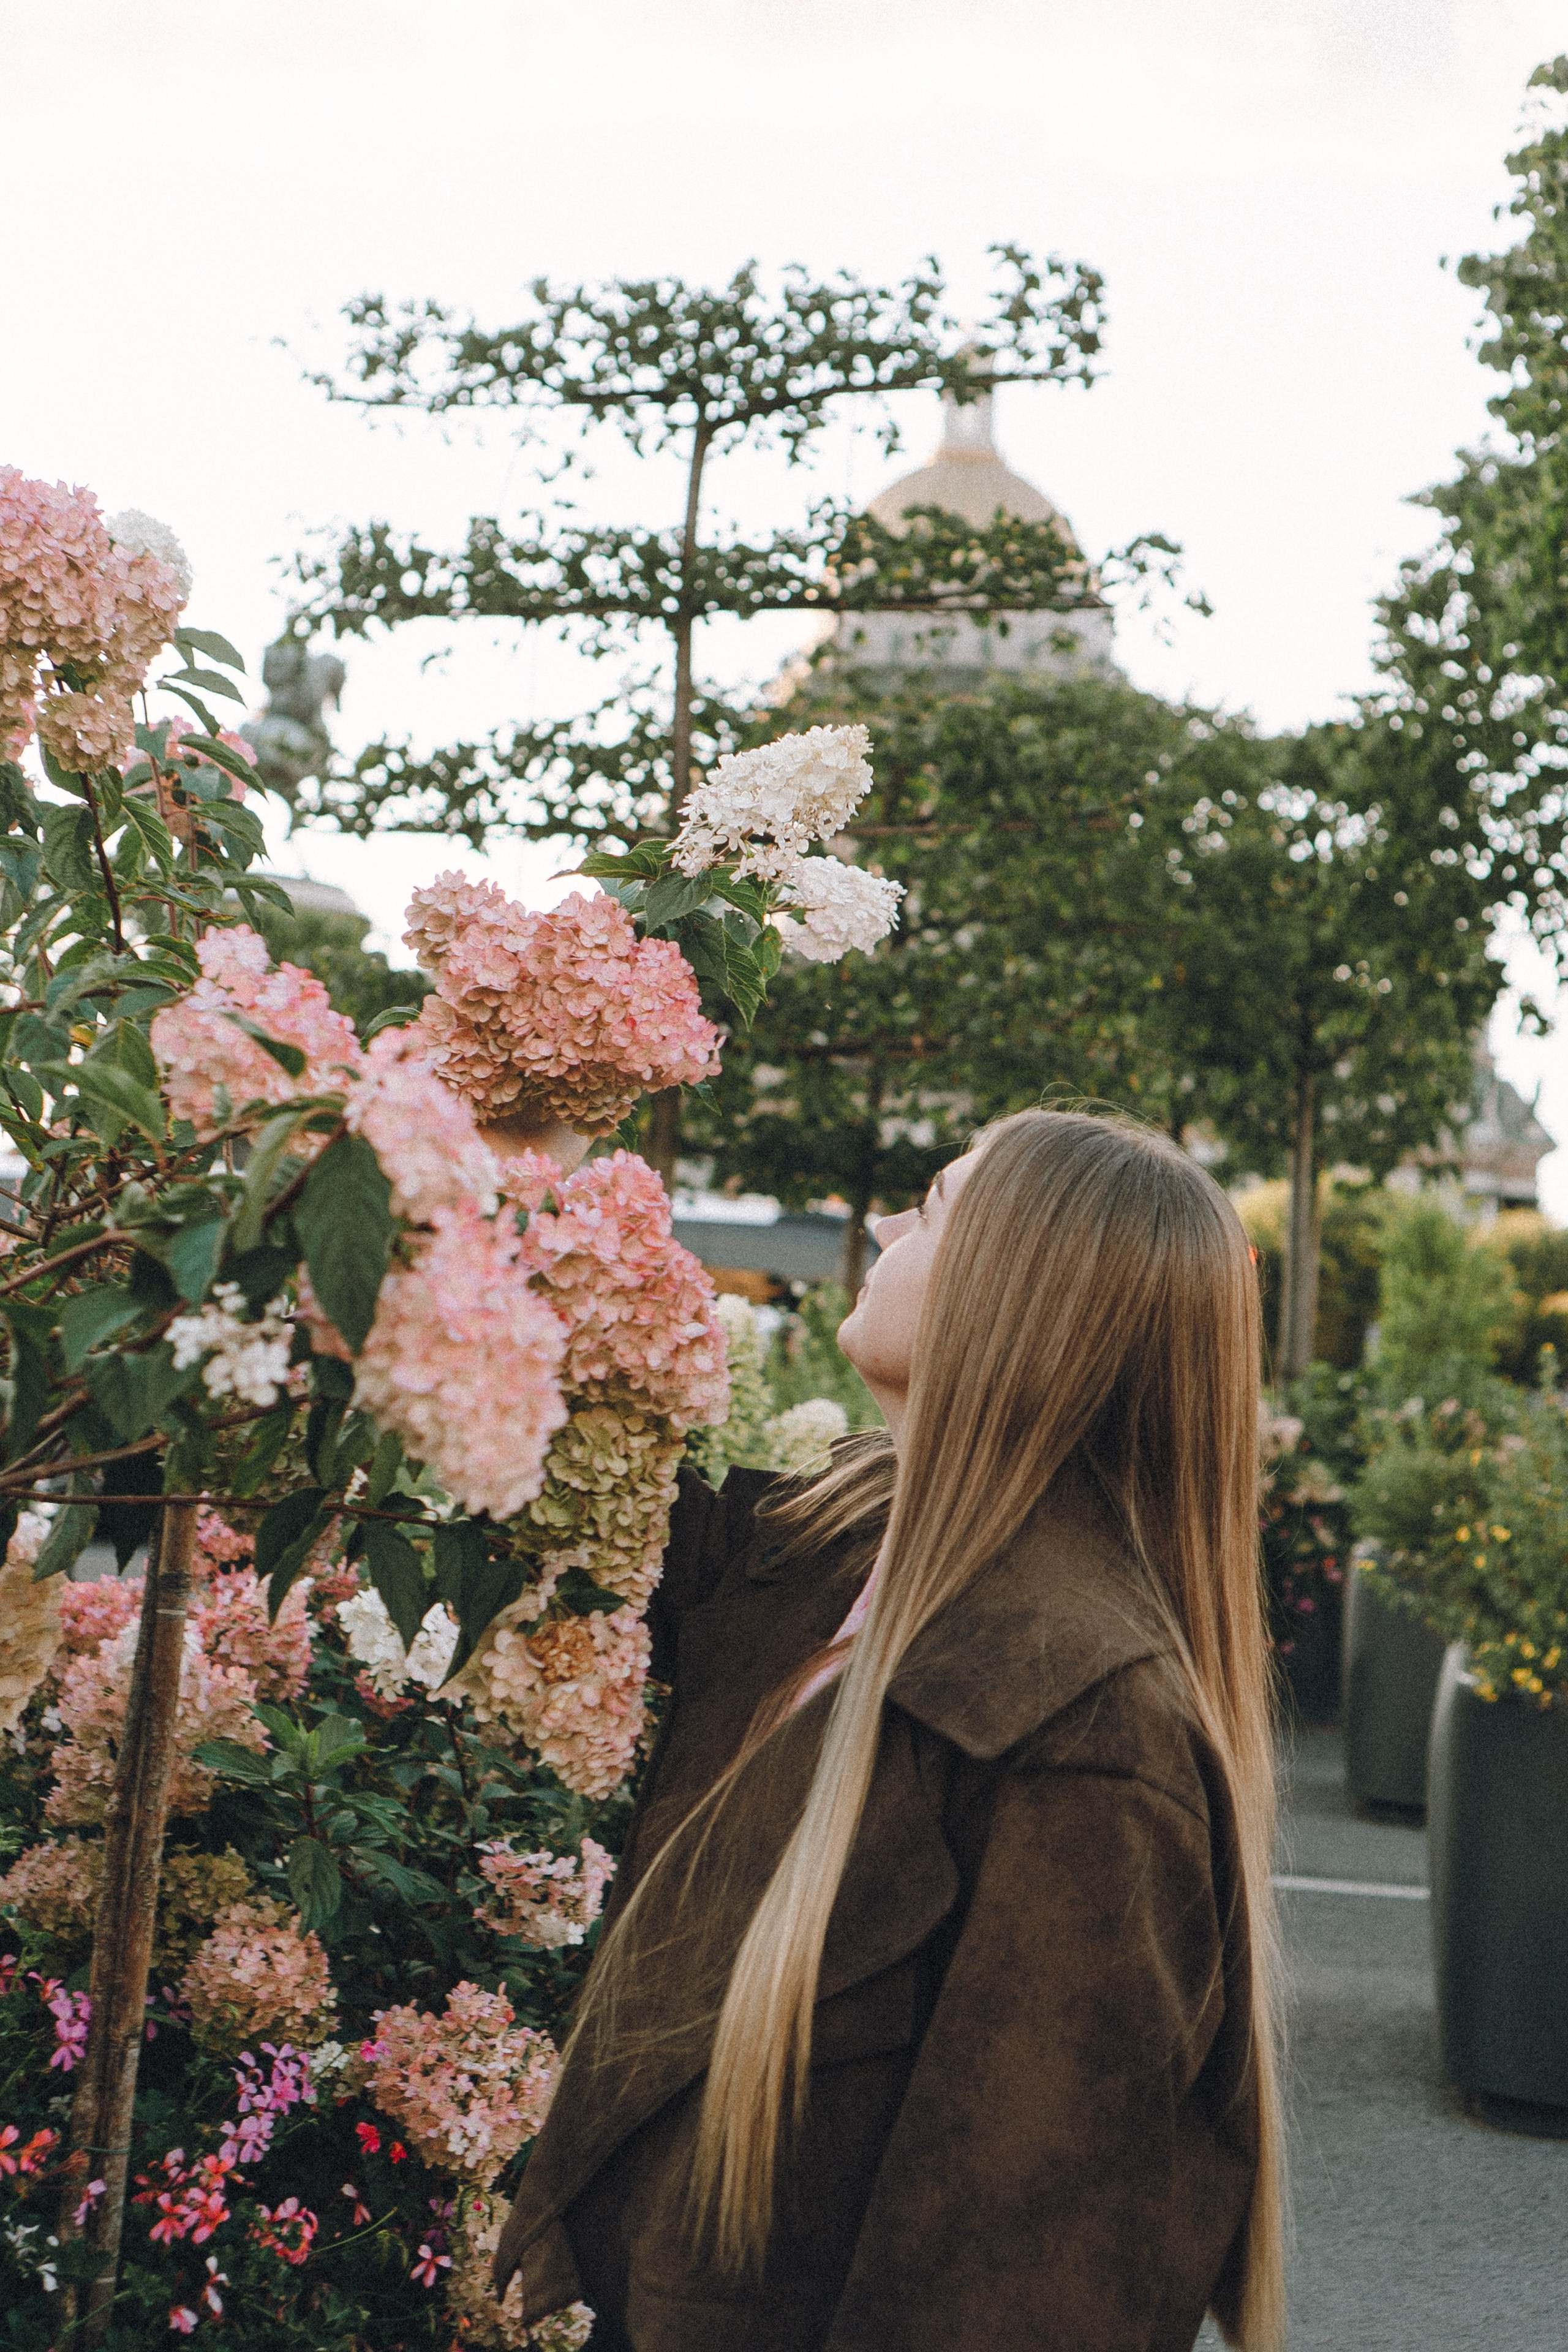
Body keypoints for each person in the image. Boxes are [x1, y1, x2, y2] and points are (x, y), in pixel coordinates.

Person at [494, 1109, 1286, 2352]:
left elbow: (1017, 2280)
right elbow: (573, 1507)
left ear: (1024, 1293)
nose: (878, 1226)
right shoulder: (836, 1547)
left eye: (928, 1208)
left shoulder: (1088, 1727)